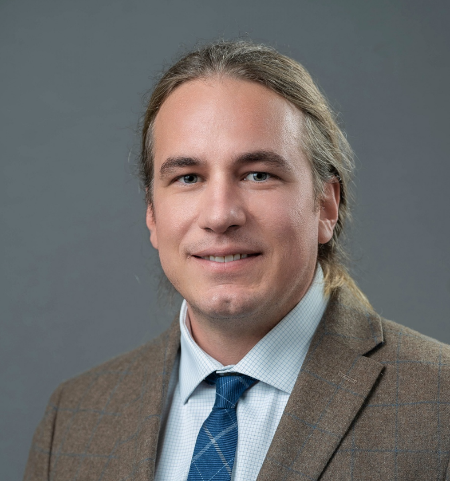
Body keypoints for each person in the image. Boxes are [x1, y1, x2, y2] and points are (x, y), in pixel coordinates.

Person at [24, 40, 450, 481]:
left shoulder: (441, 407)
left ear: (325, 205)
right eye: (188, 177)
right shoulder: (72, 422)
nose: (220, 215)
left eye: (258, 175)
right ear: (152, 214)